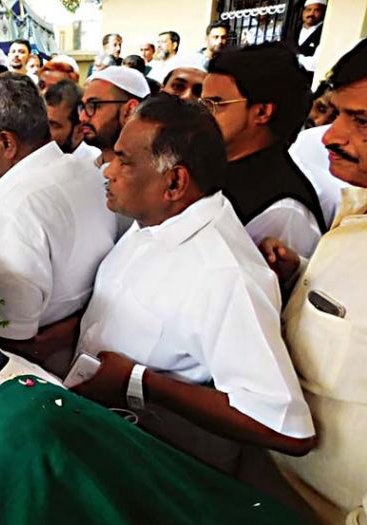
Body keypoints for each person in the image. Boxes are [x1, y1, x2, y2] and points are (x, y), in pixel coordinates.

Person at [73, 94, 314, 474]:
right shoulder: (152, 221)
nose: (108, 171)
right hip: (103, 436)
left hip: (158, 467)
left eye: (124, 161)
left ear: (174, 182)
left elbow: (285, 427)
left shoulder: (223, 274)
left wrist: (139, 382)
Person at [259, 39, 367, 523]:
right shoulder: (356, 205)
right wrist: (301, 273)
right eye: (337, 114)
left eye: (361, 121)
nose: (329, 136)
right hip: (277, 481)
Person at [0, 73, 116, 370]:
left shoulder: (18, 209)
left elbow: (13, 340)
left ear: (7, 142)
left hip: (48, 371)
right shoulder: (87, 172)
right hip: (87, 342)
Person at [202, 43, 326, 258]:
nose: (202, 114)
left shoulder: (284, 210)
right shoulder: (208, 163)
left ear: (262, 112)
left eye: (215, 104)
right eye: (202, 103)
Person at [79, 66, 149, 165]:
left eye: (93, 105)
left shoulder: (148, 174)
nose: (82, 117)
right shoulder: (83, 165)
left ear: (130, 110)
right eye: (83, 107)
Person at [44, 80, 99, 163]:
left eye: (53, 125)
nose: (41, 131)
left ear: (80, 130)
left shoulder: (95, 167)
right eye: (42, 122)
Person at [296, 0, 327, 78]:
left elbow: (315, 64)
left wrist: (297, 57)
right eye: (308, 10)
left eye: (317, 10)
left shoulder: (324, 32)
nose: (311, 14)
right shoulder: (294, 31)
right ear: (303, 12)